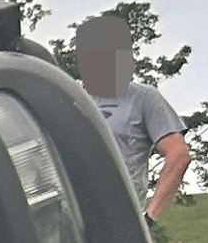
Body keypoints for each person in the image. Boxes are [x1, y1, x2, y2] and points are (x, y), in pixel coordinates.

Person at [74, 15, 191, 226]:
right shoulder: (72, 98)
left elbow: (178, 155)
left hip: (121, 221)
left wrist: (149, 218)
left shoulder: (143, 98)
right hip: (72, 222)